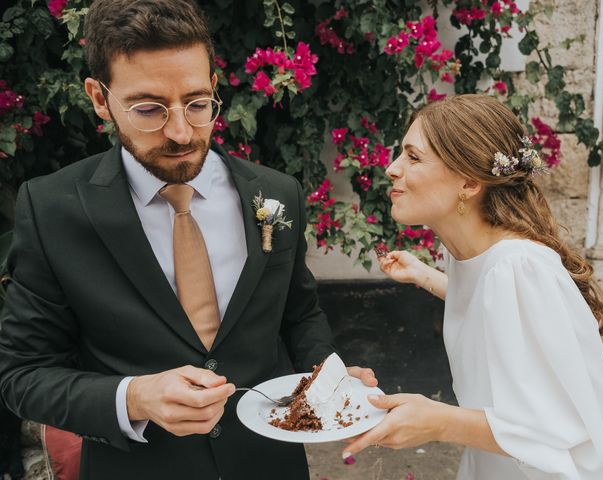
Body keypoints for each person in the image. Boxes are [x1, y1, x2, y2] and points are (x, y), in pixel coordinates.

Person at [0, 1, 376, 479]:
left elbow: (298, 315)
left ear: (215, 88)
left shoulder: (277, 194)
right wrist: (134, 397)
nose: (181, 132)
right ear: (99, 98)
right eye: (149, 109)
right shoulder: (52, 209)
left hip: (268, 465)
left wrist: (329, 379)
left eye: (197, 104)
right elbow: (22, 375)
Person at [343, 94, 603, 479]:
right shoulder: (473, 257)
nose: (392, 169)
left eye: (413, 157)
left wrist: (439, 420)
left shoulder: (520, 268)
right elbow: (491, 310)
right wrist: (426, 276)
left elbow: (562, 429)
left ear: (469, 182)